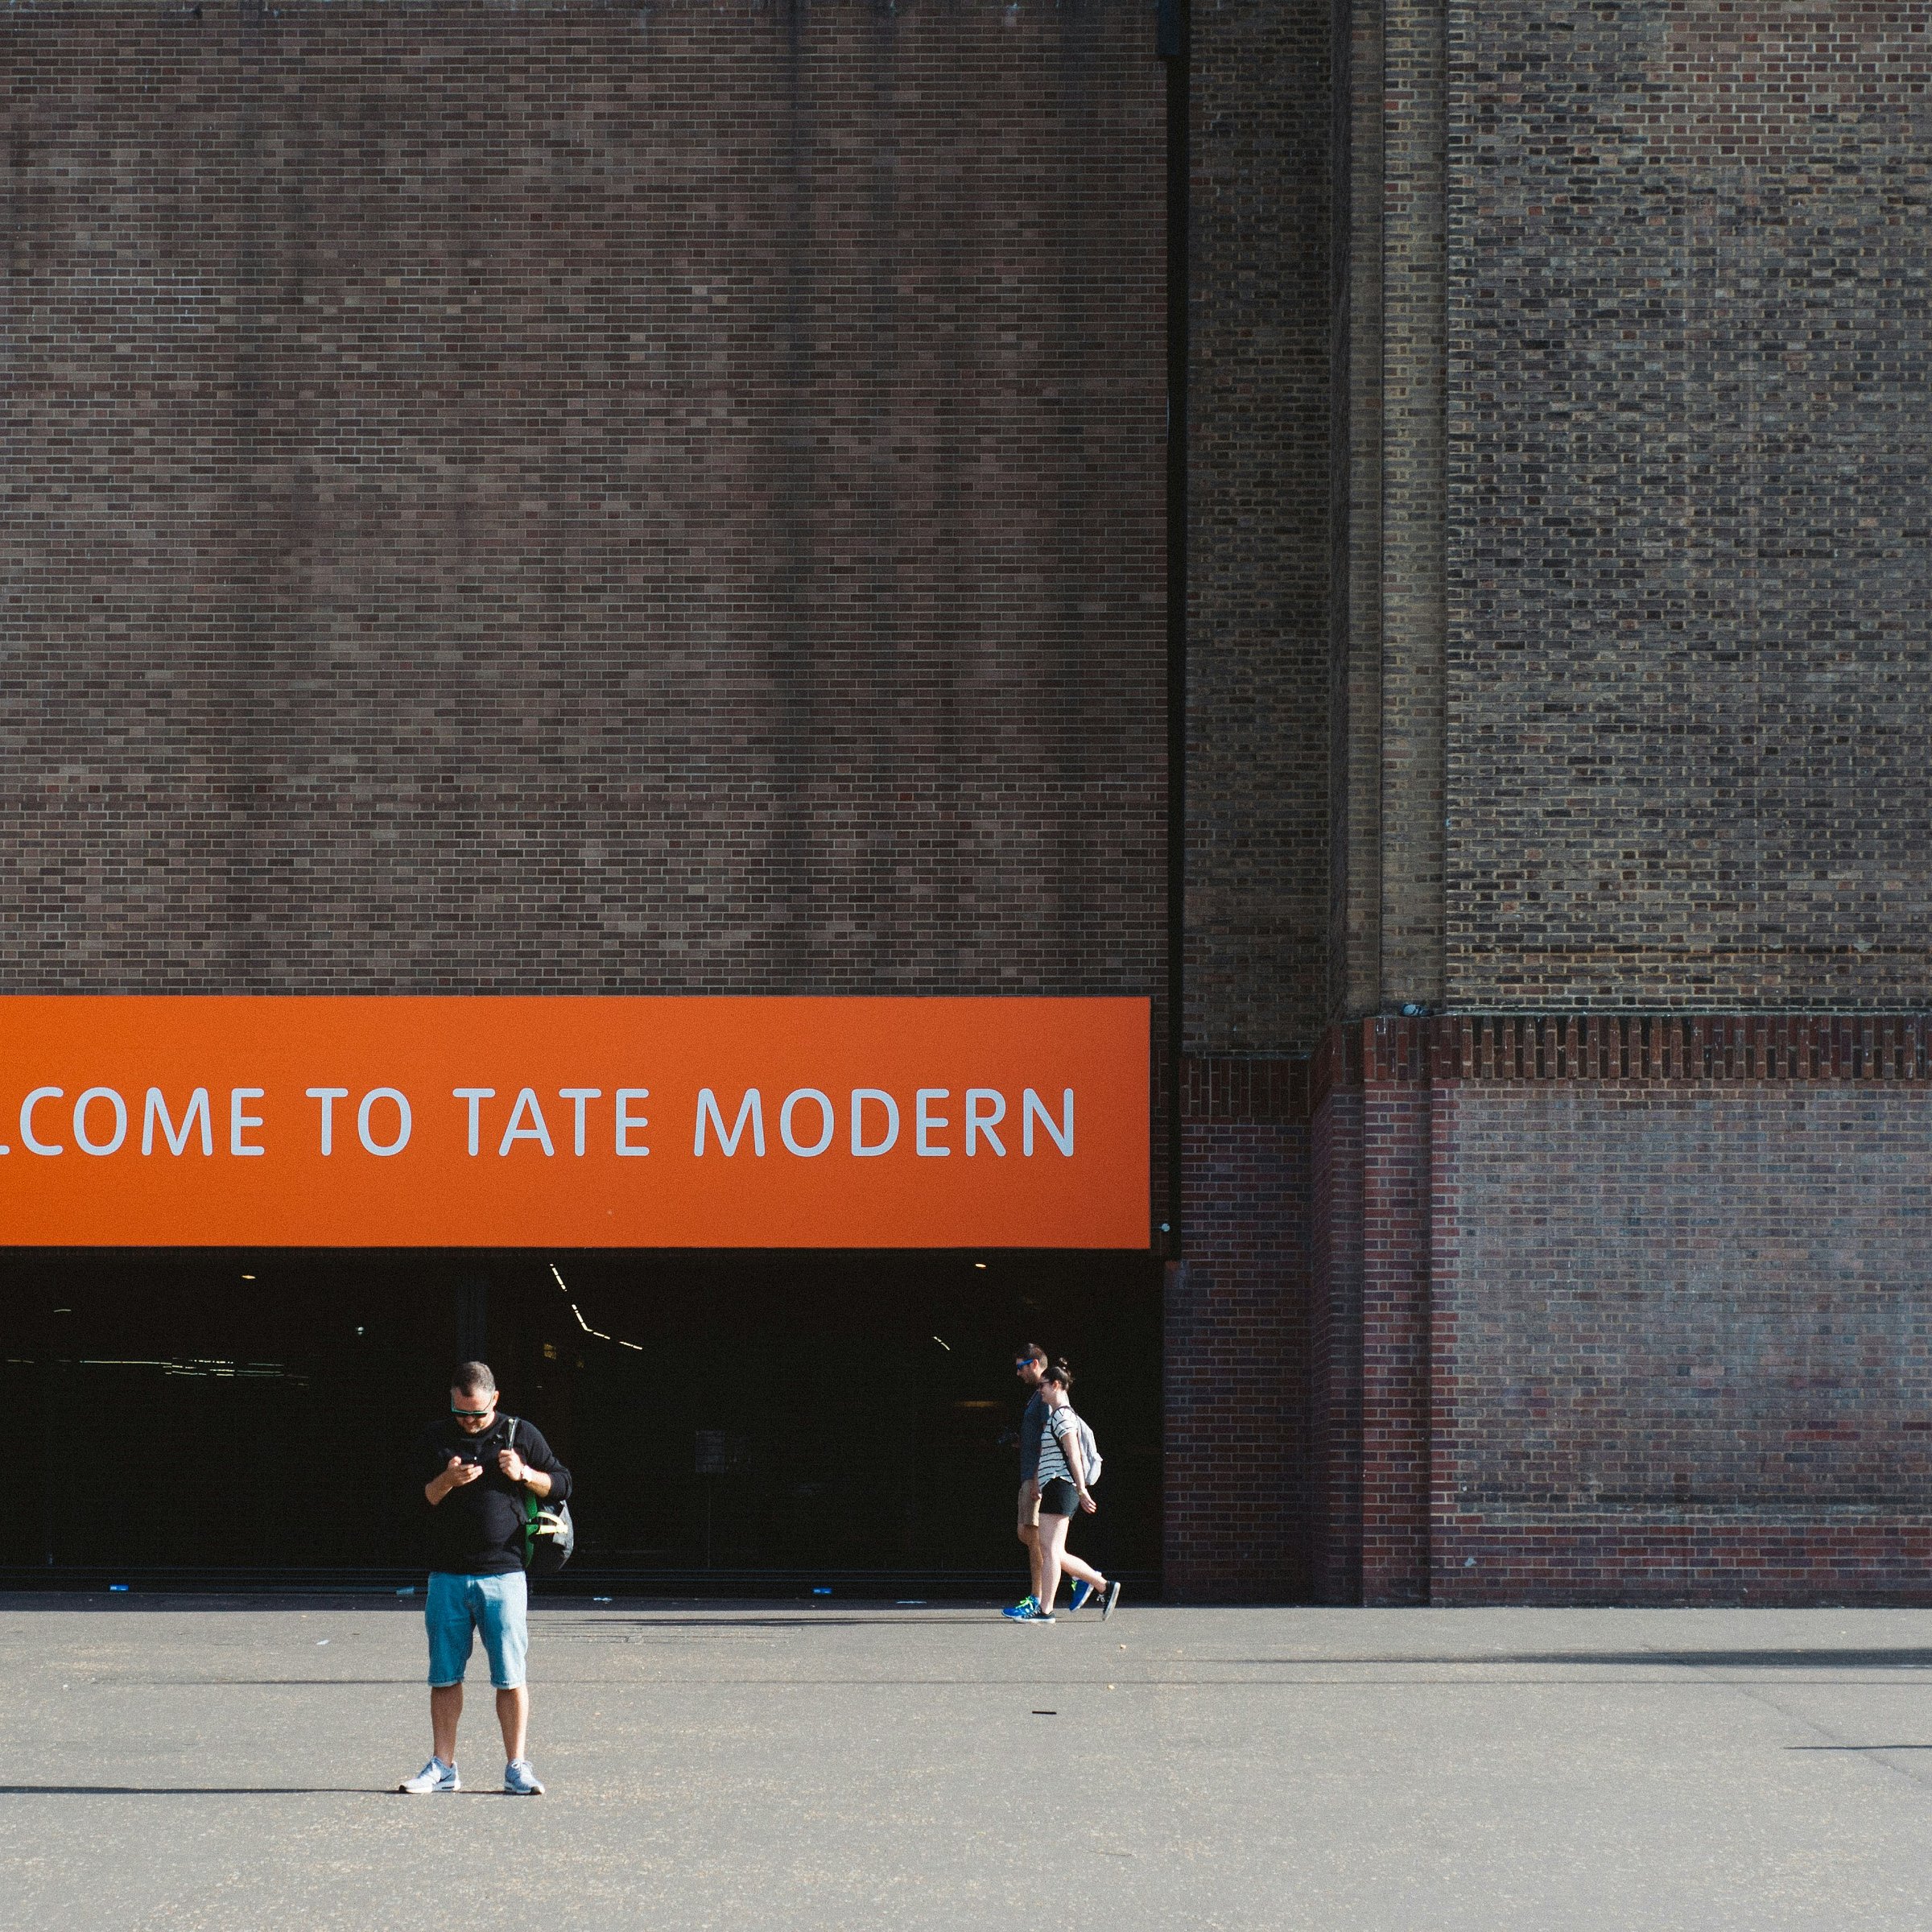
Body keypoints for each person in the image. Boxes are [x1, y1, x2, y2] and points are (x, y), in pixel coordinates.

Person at [397, 1360, 571, 1796]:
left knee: (510, 1676)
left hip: (505, 1574)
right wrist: (447, 1481)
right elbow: (413, 1497)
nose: (470, 1423)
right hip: (447, 1575)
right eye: (461, 1414)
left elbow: (564, 1483)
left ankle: (517, 1767)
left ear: (495, 1399)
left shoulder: (520, 1434)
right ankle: (443, 1767)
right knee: (444, 1676)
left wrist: (525, 1474)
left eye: (477, 1414)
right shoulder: (436, 1437)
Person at [1026, 1361, 1120, 1623]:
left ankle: (1046, 1610)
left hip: (1061, 1486)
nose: (1039, 1392)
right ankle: (1103, 1585)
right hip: (1056, 1487)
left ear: (1056, 1385)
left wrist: (1081, 1489)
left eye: (1042, 1386)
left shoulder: (1063, 1416)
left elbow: (1074, 1454)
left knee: (1052, 1551)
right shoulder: (1059, 1415)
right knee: (1053, 1550)